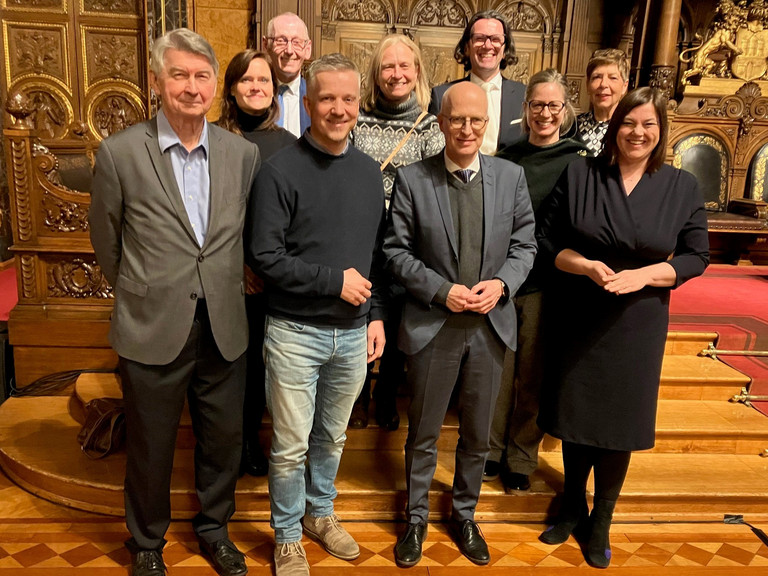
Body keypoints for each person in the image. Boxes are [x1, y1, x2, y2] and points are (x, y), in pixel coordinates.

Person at [89, 28, 259, 576]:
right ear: (157, 81)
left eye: (201, 75)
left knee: (223, 439)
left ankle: (215, 529)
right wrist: (145, 288)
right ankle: (145, 543)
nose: (191, 86)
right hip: (152, 323)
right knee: (151, 444)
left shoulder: (242, 153)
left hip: (224, 323)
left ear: (216, 85)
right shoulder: (120, 153)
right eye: (179, 75)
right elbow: (106, 241)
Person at [536, 87, 709, 568]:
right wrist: (587, 266)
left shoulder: (682, 186)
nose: (637, 132)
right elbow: (546, 238)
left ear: (660, 131)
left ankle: (603, 518)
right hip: (580, 307)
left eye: (648, 125)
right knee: (577, 413)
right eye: (629, 123)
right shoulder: (581, 173)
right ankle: (572, 502)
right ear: (616, 127)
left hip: (639, 317)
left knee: (618, 420)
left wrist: (646, 275)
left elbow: (698, 256)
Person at [245, 53, 387, 576]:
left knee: (332, 437)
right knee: (287, 447)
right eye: (327, 98)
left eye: (348, 99)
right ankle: (286, 536)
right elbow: (265, 255)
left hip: (352, 335)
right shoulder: (280, 171)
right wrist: (335, 282)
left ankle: (319, 513)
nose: (338, 108)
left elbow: (377, 256)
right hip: (294, 332)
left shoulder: (371, 173)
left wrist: (374, 314)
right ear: (307, 104)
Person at [384, 82, 537, 568]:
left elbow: (525, 246)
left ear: (487, 123)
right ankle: (415, 518)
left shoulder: (511, 178)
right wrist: (439, 289)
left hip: (491, 325)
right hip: (435, 325)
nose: (466, 129)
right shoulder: (412, 179)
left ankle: (465, 513)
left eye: (476, 120)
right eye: (456, 120)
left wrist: (503, 285)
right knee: (424, 433)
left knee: (477, 433)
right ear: (440, 122)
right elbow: (395, 251)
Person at [487, 69, 588, 491]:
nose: (544, 113)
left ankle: (522, 458)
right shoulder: (506, 157)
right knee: (496, 373)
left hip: (549, 283)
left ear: (564, 111)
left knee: (532, 375)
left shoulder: (577, 162)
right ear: (524, 109)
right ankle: (490, 450)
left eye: (553, 105)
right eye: (537, 105)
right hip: (502, 282)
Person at [348, 34, 444, 430]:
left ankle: (386, 395)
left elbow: (437, 186)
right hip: (362, 238)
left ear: (417, 71)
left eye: (405, 66)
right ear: (376, 73)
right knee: (359, 315)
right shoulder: (358, 119)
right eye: (388, 66)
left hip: (408, 241)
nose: (396, 74)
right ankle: (357, 397)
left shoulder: (429, 126)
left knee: (397, 320)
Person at [217, 49, 297, 478]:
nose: (256, 87)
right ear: (231, 88)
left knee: (265, 368)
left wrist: (269, 267)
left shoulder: (288, 145)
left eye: (264, 80)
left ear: (274, 90)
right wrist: (241, 267)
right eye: (246, 80)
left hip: (276, 279)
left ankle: (255, 442)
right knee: (232, 369)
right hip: (226, 276)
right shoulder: (211, 138)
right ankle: (234, 446)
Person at [428, 10, 525, 155]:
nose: (487, 45)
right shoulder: (441, 94)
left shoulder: (524, 95)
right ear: (467, 47)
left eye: (495, 39)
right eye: (479, 38)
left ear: (505, 49)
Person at [262, 12, 312, 138]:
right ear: (265, 45)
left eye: (297, 42)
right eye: (281, 41)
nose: (289, 51)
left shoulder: (316, 99)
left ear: (308, 49)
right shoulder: (255, 95)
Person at [575, 48, 629, 156]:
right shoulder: (573, 127)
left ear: (624, 86)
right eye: (597, 77)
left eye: (612, 78)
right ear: (587, 85)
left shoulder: (629, 128)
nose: (603, 84)